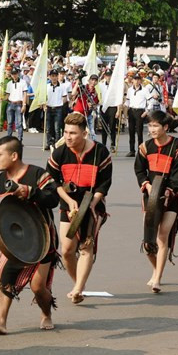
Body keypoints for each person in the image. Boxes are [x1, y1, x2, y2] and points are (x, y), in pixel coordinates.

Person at [0, 136, 59, 333]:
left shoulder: (37, 174)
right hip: (15, 241)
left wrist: (30, 192)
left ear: (14, 156)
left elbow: (53, 199)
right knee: (6, 276)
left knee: (38, 286)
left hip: (42, 239)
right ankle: (0, 321)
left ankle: (46, 313)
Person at [47, 112, 112, 304]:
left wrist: (91, 204)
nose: (68, 137)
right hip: (68, 204)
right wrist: (68, 200)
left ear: (84, 133)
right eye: (66, 132)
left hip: (92, 204)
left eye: (73, 133)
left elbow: (104, 184)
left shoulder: (100, 152)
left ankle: (77, 289)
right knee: (67, 250)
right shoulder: (59, 153)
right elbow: (52, 181)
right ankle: (79, 284)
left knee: (85, 246)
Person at [134, 110, 178, 293]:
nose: (152, 129)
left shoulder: (177, 146)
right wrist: (147, 185)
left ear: (165, 127)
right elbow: (139, 170)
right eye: (150, 125)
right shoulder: (145, 147)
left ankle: (157, 278)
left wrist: (169, 191)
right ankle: (156, 269)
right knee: (149, 242)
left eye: (156, 125)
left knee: (162, 236)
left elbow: (177, 174)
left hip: (170, 198)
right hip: (150, 197)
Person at [125, 73, 147, 156]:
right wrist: (123, 105)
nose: (137, 81)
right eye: (135, 79)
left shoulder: (144, 90)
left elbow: (150, 101)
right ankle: (132, 150)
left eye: (138, 79)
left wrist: (146, 111)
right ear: (133, 80)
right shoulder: (130, 90)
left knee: (139, 131)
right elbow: (128, 100)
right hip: (131, 111)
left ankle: (140, 150)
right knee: (131, 131)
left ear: (140, 80)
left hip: (140, 111)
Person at [45, 69, 66, 150]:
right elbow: (44, 97)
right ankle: (49, 143)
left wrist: (60, 103)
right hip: (49, 107)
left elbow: (64, 97)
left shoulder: (62, 86)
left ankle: (57, 144)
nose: (54, 77)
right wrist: (44, 104)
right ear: (50, 77)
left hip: (58, 108)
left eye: (55, 76)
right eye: (52, 76)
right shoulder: (47, 86)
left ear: (57, 76)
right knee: (48, 127)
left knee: (57, 128)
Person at [5, 67, 27, 142]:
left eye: (15, 74)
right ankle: (9, 139)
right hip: (10, 103)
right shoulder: (9, 83)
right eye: (13, 74)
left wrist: (24, 105)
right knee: (10, 123)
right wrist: (2, 97)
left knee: (19, 123)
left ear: (18, 74)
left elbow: (25, 94)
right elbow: (7, 95)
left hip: (19, 103)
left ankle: (19, 139)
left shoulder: (23, 82)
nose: (14, 75)